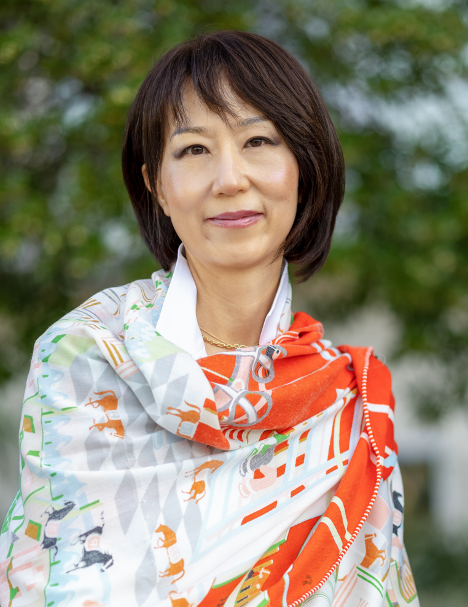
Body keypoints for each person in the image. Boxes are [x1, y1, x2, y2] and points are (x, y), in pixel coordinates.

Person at [0, 30, 418, 607]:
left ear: (305, 169)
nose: (229, 179)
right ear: (157, 187)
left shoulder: (349, 401)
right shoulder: (87, 356)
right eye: (194, 150)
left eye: (259, 141)